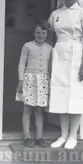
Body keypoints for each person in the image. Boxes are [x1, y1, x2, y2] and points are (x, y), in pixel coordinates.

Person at [47, 0, 83, 150]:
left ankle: (73, 135)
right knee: (61, 94)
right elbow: (51, 37)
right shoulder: (56, 14)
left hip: (77, 56)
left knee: (75, 96)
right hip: (60, 55)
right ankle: (63, 135)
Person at [16, 20, 53, 148]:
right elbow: (21, 64)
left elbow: (51, 66)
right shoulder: (27, 46)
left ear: (47, 34)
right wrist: (21, 80)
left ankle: (39, 137)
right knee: (27, 109)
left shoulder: (50, 48)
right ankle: (27, 136)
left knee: (39, 110)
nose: (40, 35)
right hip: (29, 80)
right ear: (33, 33)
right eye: (38, 32)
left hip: (43, 81)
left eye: (43, 33)